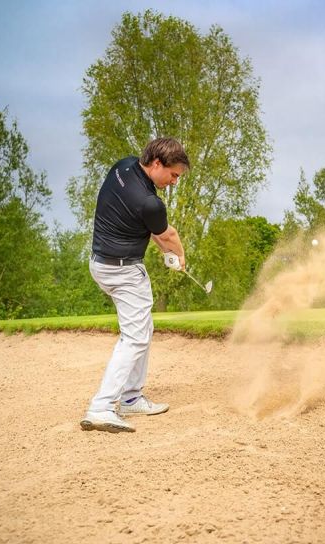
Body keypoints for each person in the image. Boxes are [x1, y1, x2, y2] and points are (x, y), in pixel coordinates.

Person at [80, 138, 189, 433]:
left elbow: (147, 225)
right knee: (135, 337)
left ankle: (131, 397)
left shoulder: (124, 166)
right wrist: (179, 256)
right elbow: (169, 234)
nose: (174, 182)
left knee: (143, 328)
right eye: (174, 175)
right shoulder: (151, 202)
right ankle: (102, 407)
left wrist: (165, 247)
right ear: (156, 164)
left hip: (100, 264)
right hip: (124, 272)